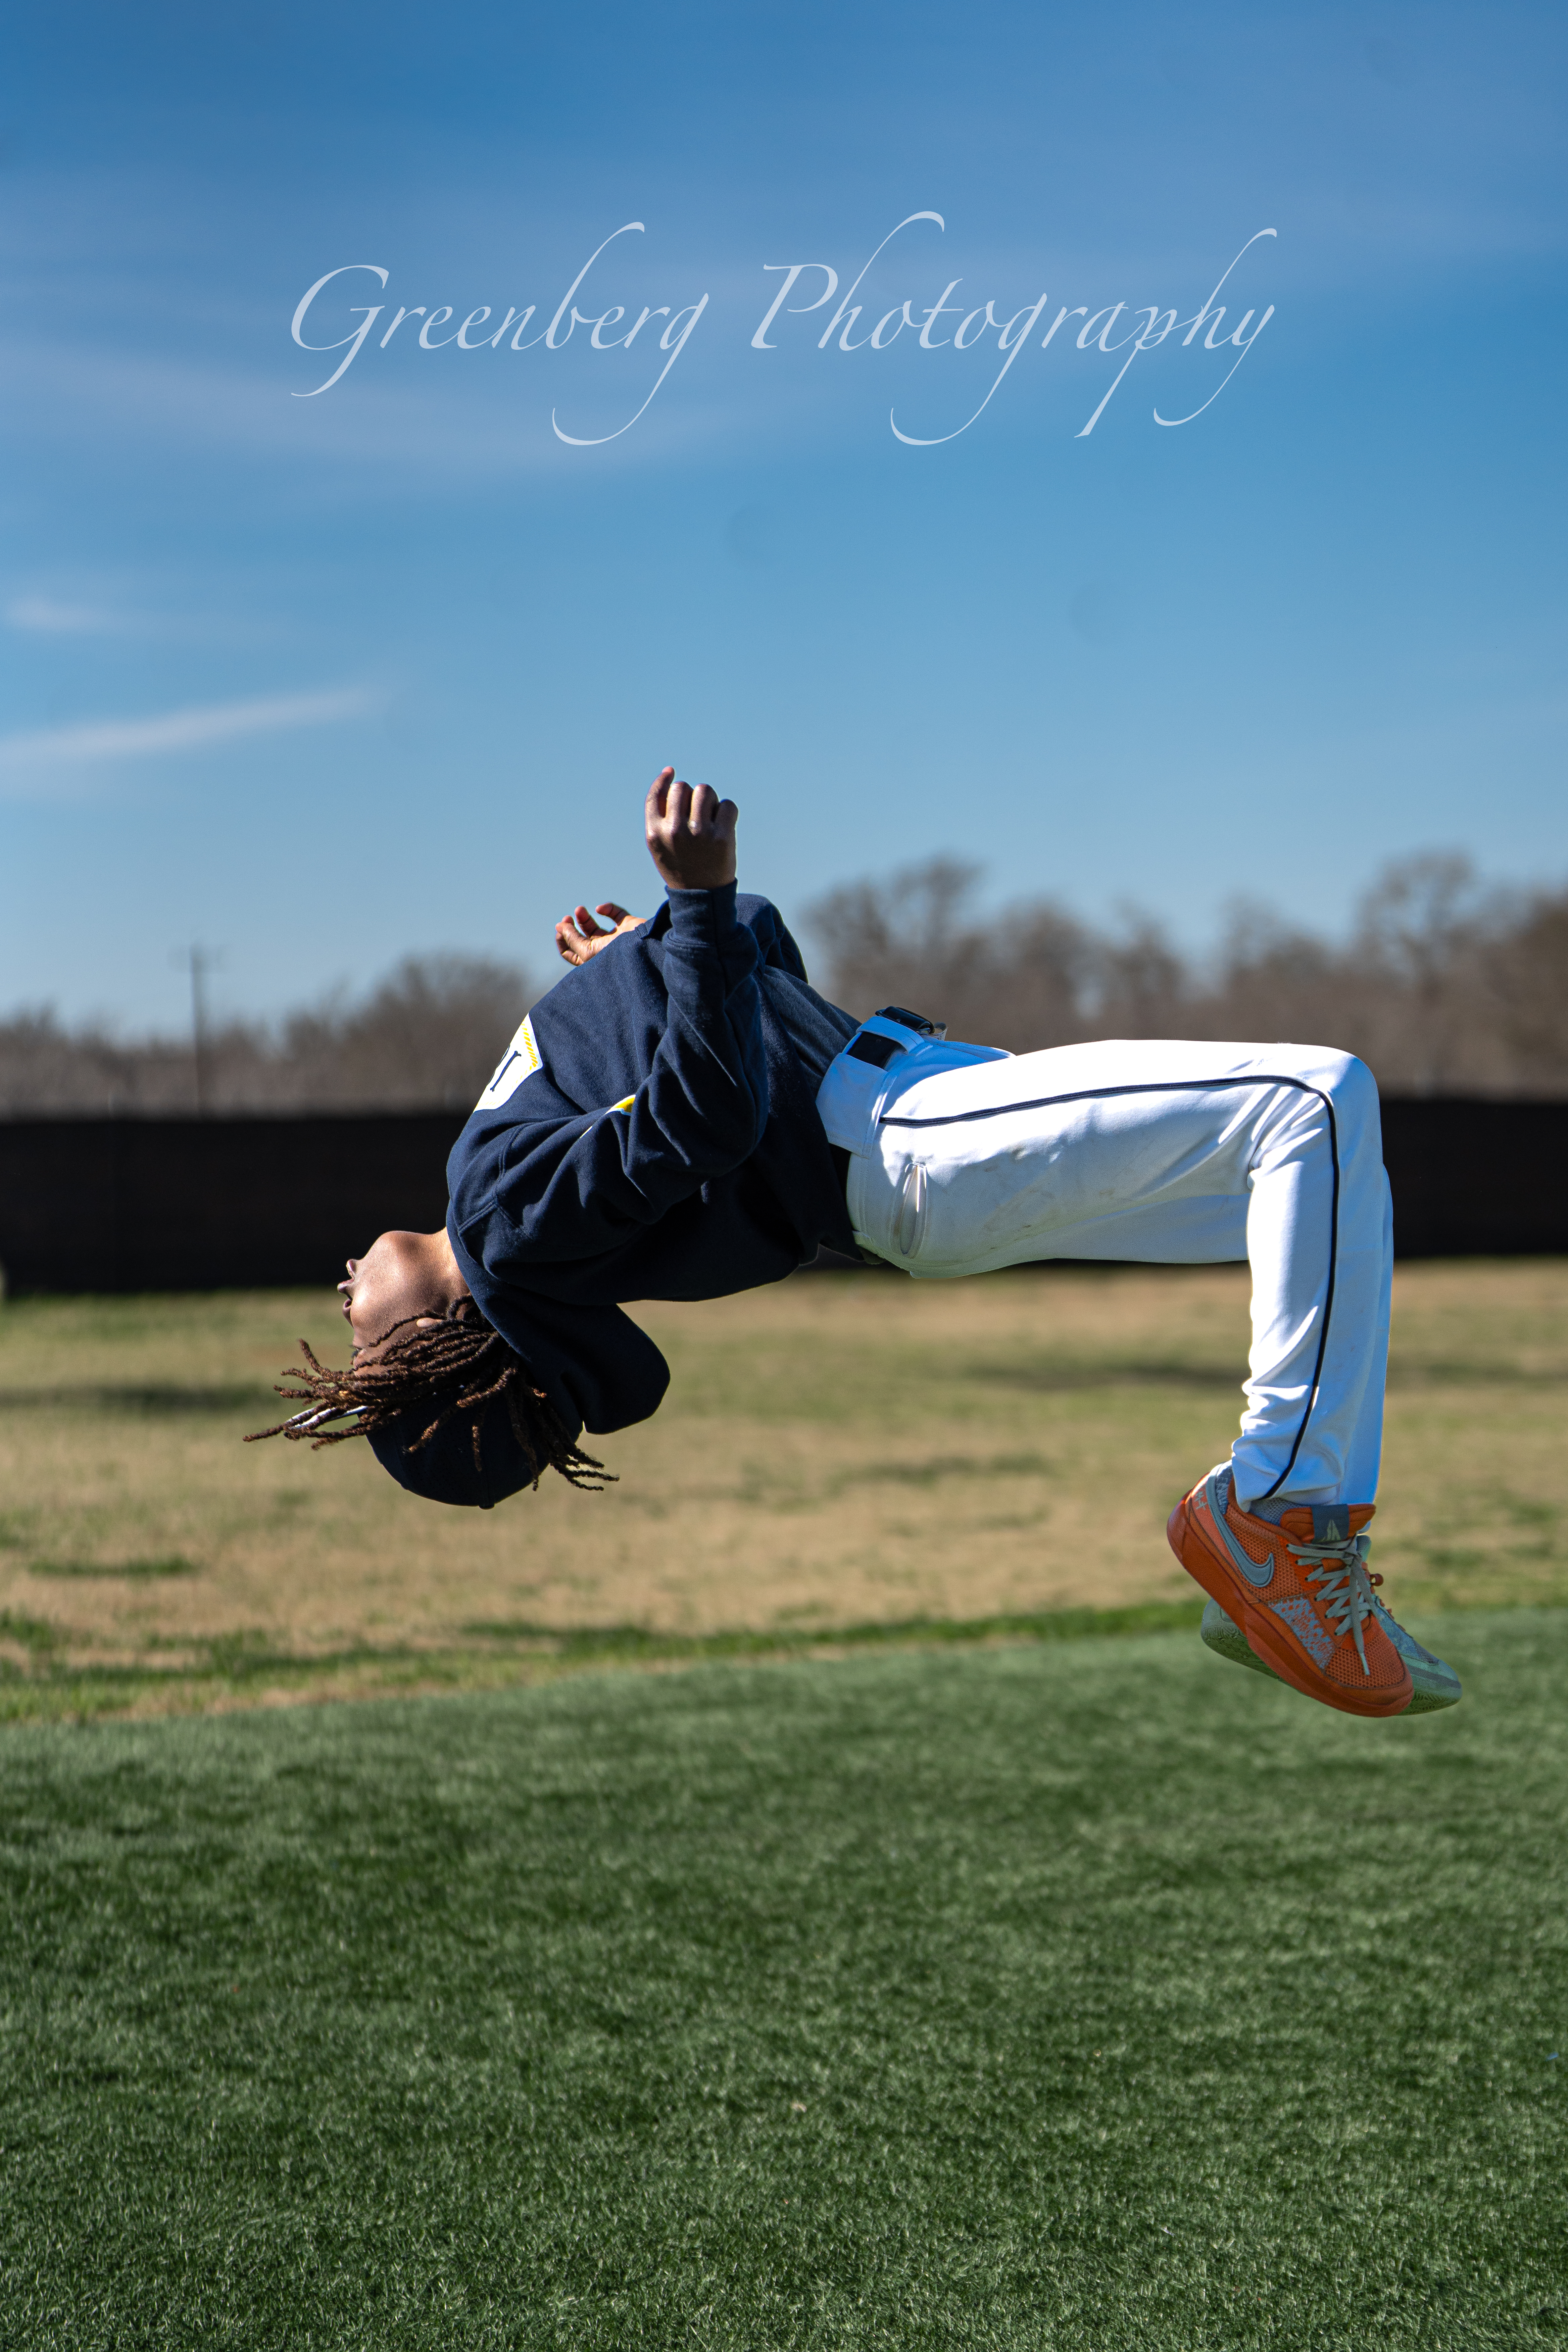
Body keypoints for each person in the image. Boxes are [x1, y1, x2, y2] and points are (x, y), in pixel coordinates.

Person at [249, 767, 1460, 1720]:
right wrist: (696, 909)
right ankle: (1281, 1520)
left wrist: (650, 960)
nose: (343, 1297)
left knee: (1322, 1169)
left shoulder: (520, 1226)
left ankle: (1276, 1575)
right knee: (1314, 1103)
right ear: (441, 1341)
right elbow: (710, 1116)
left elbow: (746, 1022)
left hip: (906, 1148)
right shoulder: (501, 1221)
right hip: (898, 1135)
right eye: (364, 1349)